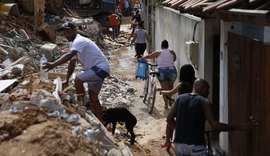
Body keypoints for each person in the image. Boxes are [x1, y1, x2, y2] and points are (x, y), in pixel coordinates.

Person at [167, 78, 258, 155]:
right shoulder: (204, 102)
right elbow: (215, 125)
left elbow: (169, 119)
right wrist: (240, 127)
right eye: (207, 89)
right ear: (202, 88)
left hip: (179, 145)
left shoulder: (179, 98)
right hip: (196, 146)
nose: (208, 92)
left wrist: (180, 130)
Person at [43, 22, 110, 123]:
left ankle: (80, 106)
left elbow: (69, 55)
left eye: (68, 32)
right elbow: (72, 63)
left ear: (75, 30)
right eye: (64, 33)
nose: (66, 35)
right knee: (93, 97)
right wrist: (67, 79)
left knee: (78, 79)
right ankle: (102, 121)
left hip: (100, 68)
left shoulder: (79, 40)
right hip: (97, 70)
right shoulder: (74, 44)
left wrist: (53, 64)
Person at [161, 64, 197, 150]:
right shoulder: (196, 83)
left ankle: (168, 141)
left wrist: (162, 91)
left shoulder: (182, 84)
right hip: (194, 109)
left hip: (182, 108)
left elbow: (170, 93)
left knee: (169, 120)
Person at [141, 40, 176, 108]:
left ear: (161, 46)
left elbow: (149, 56)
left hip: (162, 71)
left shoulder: (158, 52)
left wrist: (143, 58)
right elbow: (174, 59)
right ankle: (170, 102)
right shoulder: (172, 51)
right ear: (168, 46)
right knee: (170, 88)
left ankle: (166, 105)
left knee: (165, 89)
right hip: (172, 71)